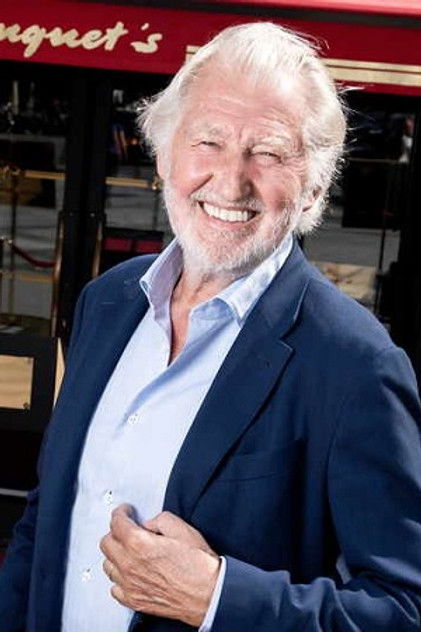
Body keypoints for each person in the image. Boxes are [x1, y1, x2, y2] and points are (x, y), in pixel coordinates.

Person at [1, 21, 421, 632]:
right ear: (164, 154)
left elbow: (404, 609)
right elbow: (49, 514)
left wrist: (217, 597)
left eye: (268, 152)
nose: (231, 180)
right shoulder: (108, 301)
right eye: (209, 141)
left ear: (314, 187)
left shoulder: (356, 364)